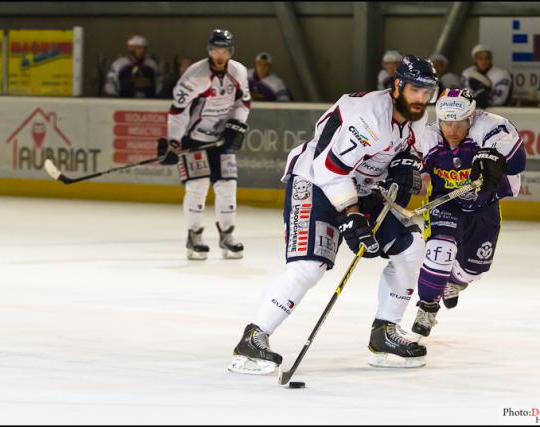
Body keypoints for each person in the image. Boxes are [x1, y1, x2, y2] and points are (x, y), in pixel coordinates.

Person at [228, 55, 440, 375]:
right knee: (309, 267)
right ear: (397, 86)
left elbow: (410, 151)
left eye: (428, 92)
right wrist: (352, 217)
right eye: (415, 90)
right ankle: (254, 336)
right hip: (315, 181)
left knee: (411, 248)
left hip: (363, 187)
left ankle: (385, 332)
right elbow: (330, 170)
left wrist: (405, 167)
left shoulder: (417, 117)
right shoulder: (370, 118)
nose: (421, 99)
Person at [410, 88, 526, 339]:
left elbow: (518, 162)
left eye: (458, 123)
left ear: (471, 118)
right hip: (446, 204)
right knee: (441, 249)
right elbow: (409, 165)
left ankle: (453, 280)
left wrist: (492, 158)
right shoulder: (429, 137)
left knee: (474, 270)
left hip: (483, 208)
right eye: (445, 123)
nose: (451, 130)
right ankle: (427, 308)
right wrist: (408, 176)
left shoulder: (491, 127)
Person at [157, 29, 251, 260]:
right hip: (194, 139)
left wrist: (236, 125)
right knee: (197, 187)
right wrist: (173, 141)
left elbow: (244, 102)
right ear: (209, 51)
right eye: (215, 50)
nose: (220, 55)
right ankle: (194, 236)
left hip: (222, 140)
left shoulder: (238, 71)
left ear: (231, 52)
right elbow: (178, 110)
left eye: (225, 50)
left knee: (227, 186)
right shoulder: (195, 75)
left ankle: (227, 236)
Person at [461, 44, 512, 108]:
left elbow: (499, 100)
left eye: (487, 58)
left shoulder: (502, 74)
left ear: (491, 59)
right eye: (480, 58)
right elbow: (464, 98)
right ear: (475, 60)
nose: (483, 61)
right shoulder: (467, 73)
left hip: (496, 113)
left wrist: (481, 97)